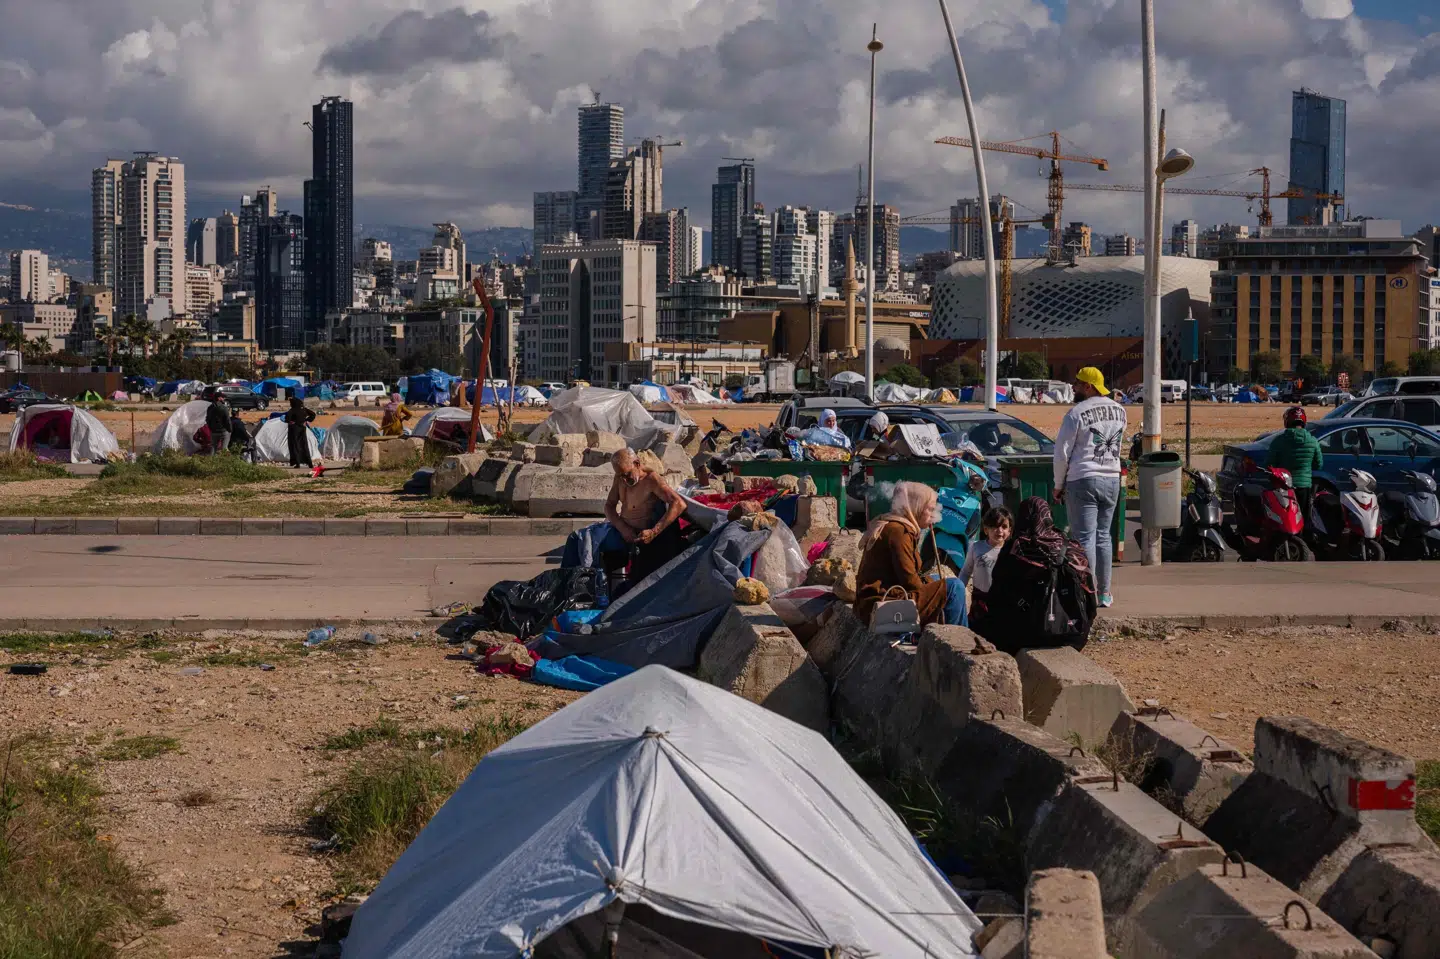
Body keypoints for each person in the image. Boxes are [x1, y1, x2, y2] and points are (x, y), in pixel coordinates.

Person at [972, 497, 1096, 654]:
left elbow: (996, 596)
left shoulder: (1016, 549)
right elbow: (1091, 600)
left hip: (1027, 635)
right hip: (1073, 634)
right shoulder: (1073, 548)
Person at [1053, 366, 1126, 609]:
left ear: (1088, 386)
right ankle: (1105, 593)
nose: (1073, 387)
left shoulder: (1076, 413)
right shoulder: (1120, 410)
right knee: (1104, 537)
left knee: (1084, 539)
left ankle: (1088, 593)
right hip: (1112, 478)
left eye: (1077, 383)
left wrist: (1058, 484)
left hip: (1083, 478)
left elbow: (1062, 453)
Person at [853, 481, 966, 629]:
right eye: (930, 509)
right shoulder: (899, 532)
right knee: (955, 587)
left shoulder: (894, 524)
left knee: (939, 580)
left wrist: (931, 585)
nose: (934, 514)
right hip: (881, 606)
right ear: (916, 507)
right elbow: (910, 581)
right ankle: (956, 638)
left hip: (873, 602)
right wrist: (935, 594)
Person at [603, 448, 687, 594]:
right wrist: (623, 528)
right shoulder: (620, 478)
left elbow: (679, 504)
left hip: (642, 537)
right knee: (580, 541)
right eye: (620, 475)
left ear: (637, 463)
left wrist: (654, 532)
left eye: (627, 474)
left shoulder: (651, 479)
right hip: (623, 532)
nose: (624, 479)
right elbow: (609, 506)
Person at [1266, 406, 1323, 525]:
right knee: (1303, 520)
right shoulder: (1313, 441)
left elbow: (1269, 464)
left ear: (1287, 421)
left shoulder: (1279, 441)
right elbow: (1319, 464)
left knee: (1285, 521)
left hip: (1284, 487)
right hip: (1304, 486)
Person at [961, 507, 1013, 607]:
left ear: (1009, 531)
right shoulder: (976, 547)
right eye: (995, 526)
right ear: (985, 529)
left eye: (1004, 526)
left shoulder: (1010, 551)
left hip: (1001, 601)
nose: (999, 530)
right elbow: (966, 572)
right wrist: (959, 590)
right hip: (979, 599)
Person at [284, 397, 316, 468]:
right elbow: (313, 414)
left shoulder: (292, 410)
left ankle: (297, 463)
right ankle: (309, 463)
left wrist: (290, 422)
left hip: (294, 430)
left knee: (296, 446)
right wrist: (306, 420)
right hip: (302, 428)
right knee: (304, 445)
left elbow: (287, 418)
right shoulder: (303, 409)